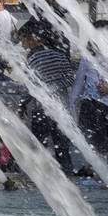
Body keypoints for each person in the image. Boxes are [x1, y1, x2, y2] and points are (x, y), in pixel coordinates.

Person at [16, 15, 76, 175]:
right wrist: (56, 87)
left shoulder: (32, 59)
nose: (23, 45)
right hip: (61, 109)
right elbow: (71, 78)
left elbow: (28, 87)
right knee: (62, 146)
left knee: (39, 145)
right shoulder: (59, 55)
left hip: (41, 110)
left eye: (24, 41)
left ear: (34, 39)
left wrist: (21, 106)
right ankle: (68, 176)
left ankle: (41, 177)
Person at [70, 22, 108, 161]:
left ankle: (92, 170)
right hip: (90, 104)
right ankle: (95, 174)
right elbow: (78, 84)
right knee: (97, 144)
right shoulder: (88, 58)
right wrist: (71, 105)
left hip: (107, 106)